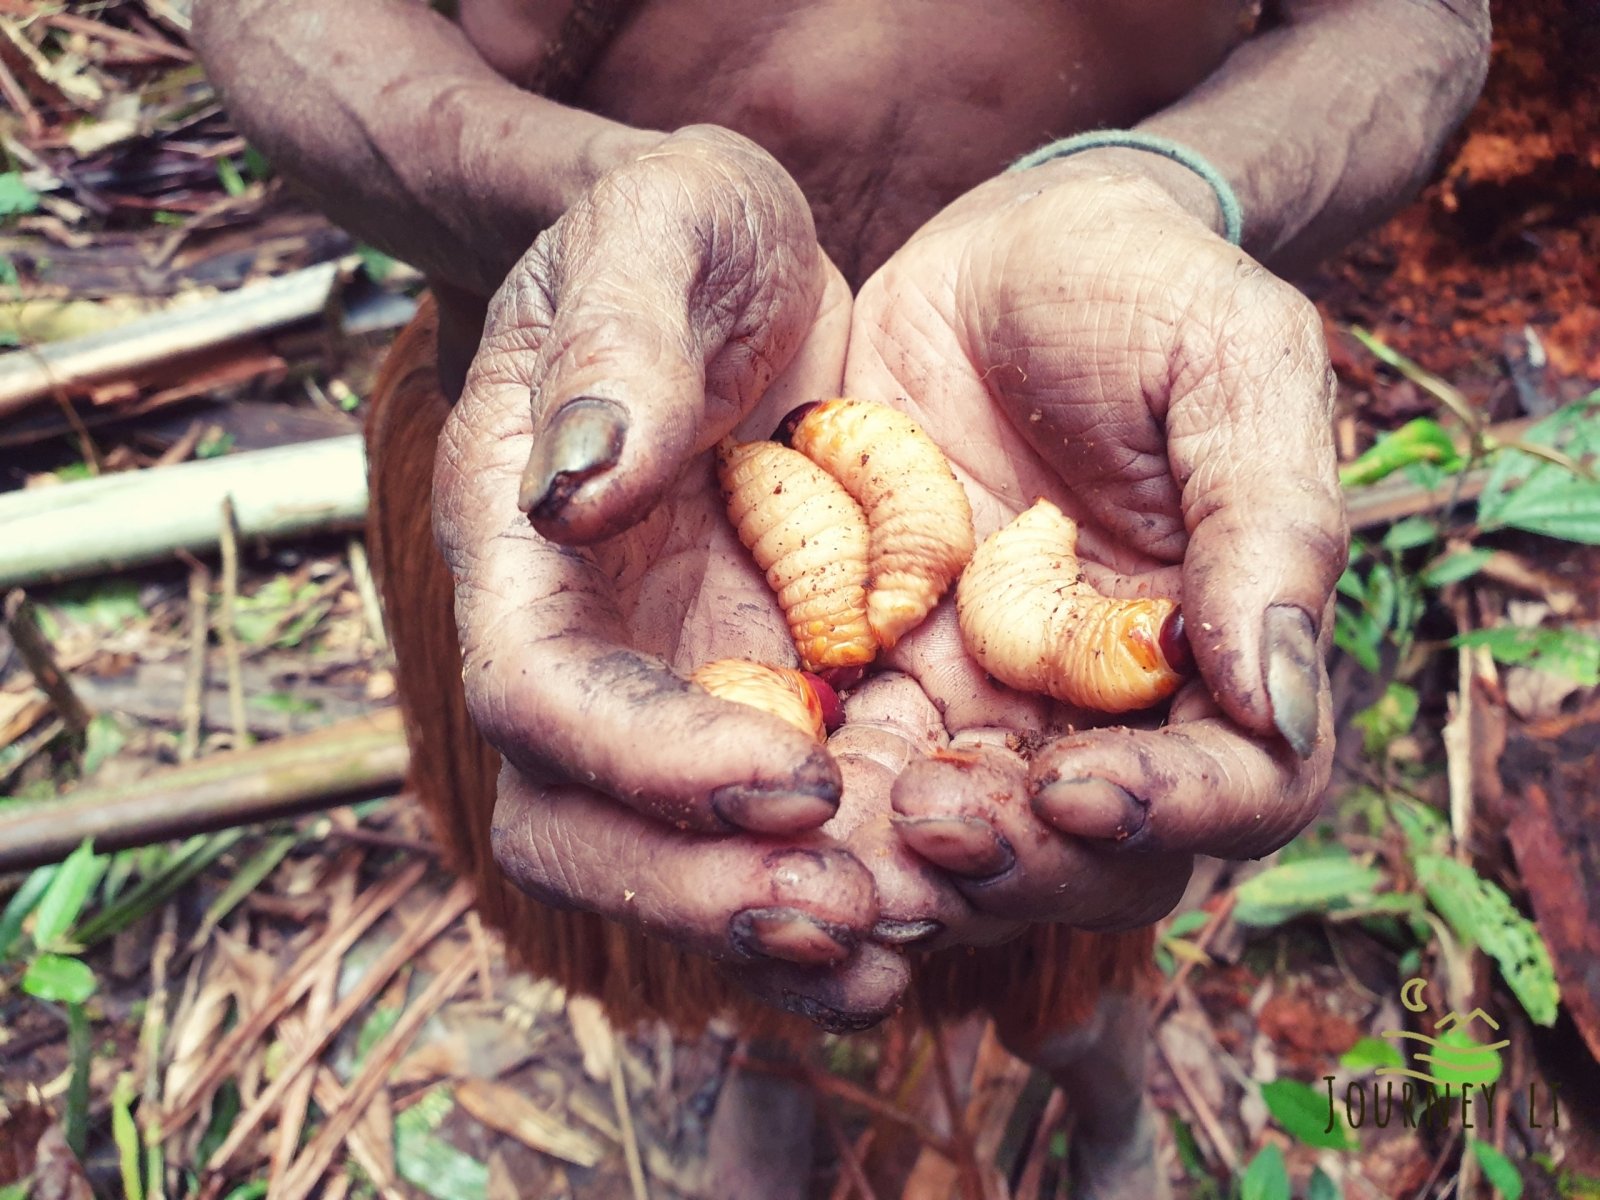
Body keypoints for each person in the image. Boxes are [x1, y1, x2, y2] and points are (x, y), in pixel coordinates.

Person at [194, 2, 1490, 1195]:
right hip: (583, 482)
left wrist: (1165, 189)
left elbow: (1415, 18)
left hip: (1078, 456)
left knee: (1053, 886)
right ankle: (776, 1041)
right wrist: (593, 208)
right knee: (741, 855)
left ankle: (1096, 1054)